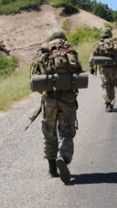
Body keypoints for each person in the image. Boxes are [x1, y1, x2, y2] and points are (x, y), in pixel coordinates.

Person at [30, 28, 83, 184]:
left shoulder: (43, 53)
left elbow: (33, 79)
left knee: (49, 132)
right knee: (67, 132)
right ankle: (63, 157)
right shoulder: (69, 51)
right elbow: (78, 72)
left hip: (49, 99)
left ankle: (52, 169)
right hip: (67, 97)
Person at [90, 28, 117, 112]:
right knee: (112, 84)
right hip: (114, 68)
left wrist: (91, 68)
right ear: (110, 34)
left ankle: (107, 103)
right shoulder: (115, 43)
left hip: (104, 69)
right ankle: (111, 100)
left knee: (106, 85)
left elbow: (93, 57)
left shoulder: (99, 44)